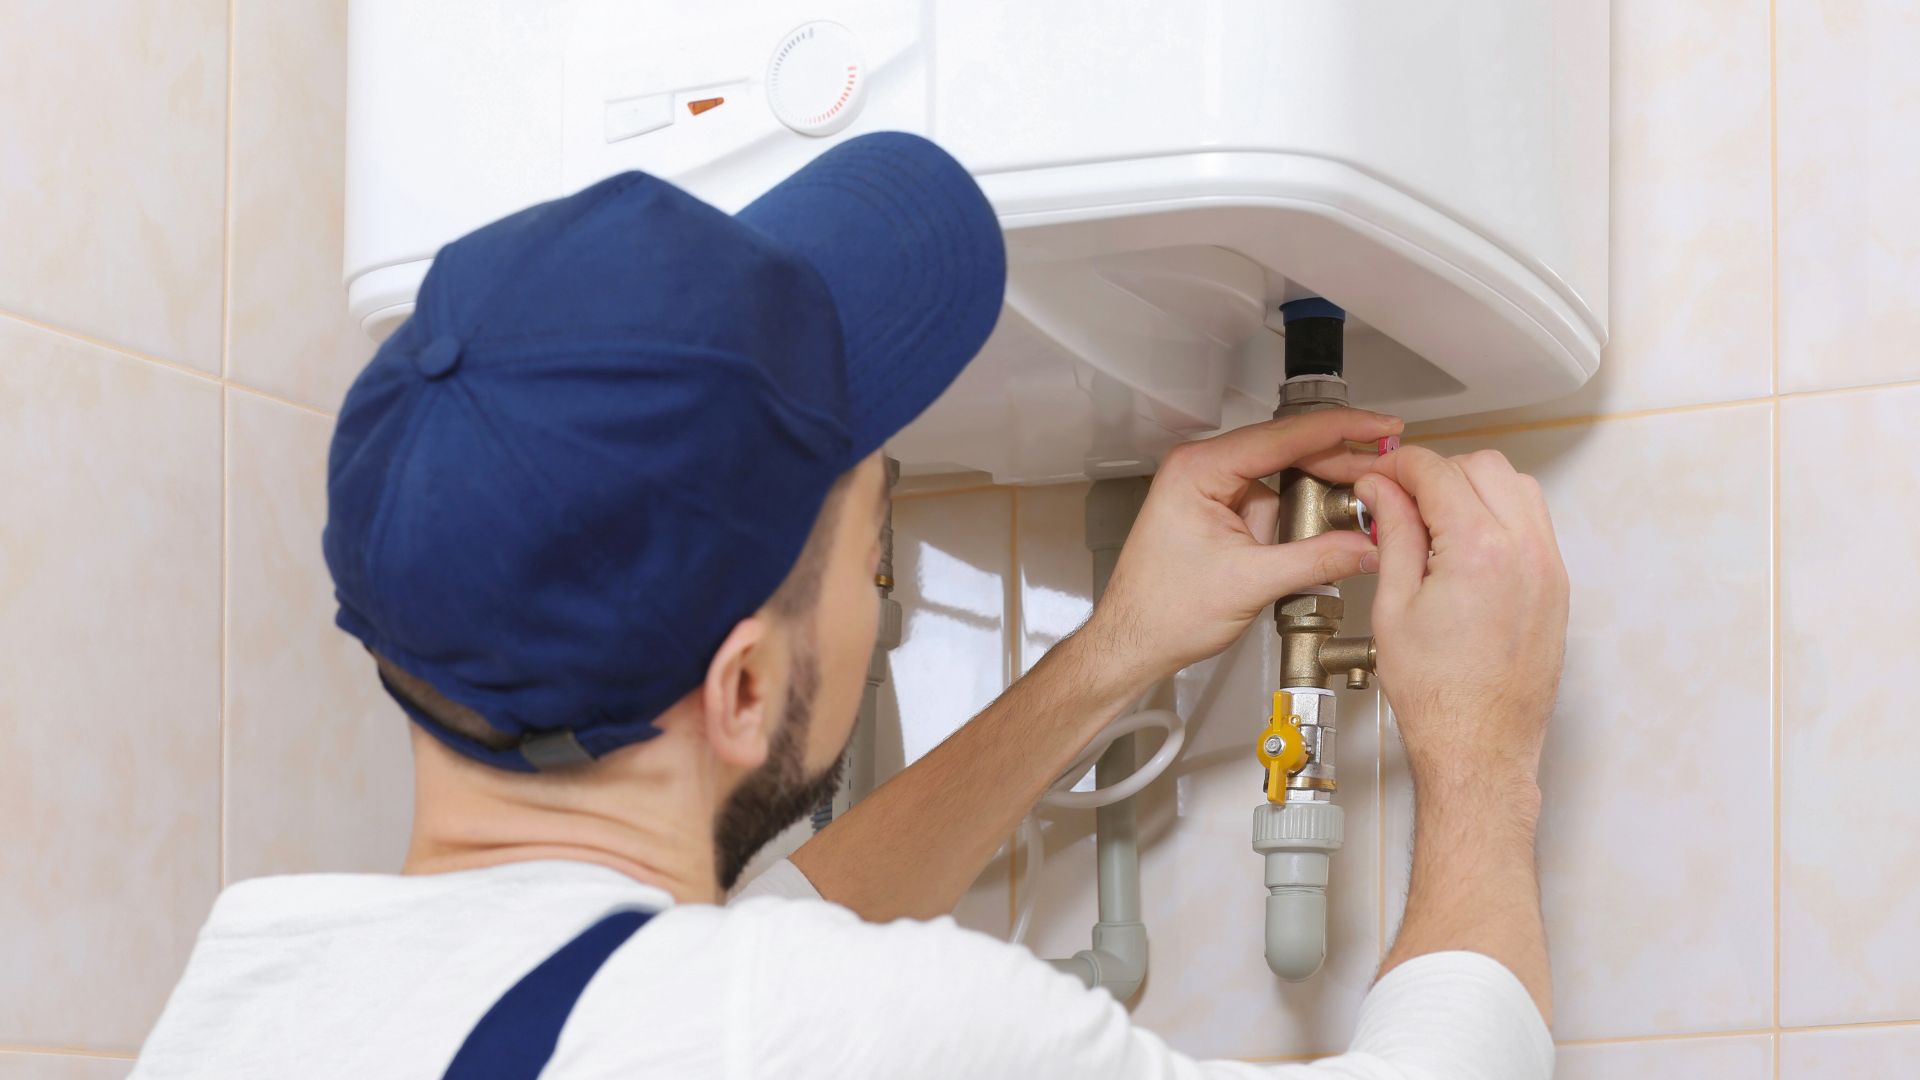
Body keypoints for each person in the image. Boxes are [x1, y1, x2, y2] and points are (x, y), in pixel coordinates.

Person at [132, 132, 1568, 1079]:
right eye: (872, 534)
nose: (878, 578)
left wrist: (1115, 654)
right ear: (744, 687)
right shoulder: (852, 1035)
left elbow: (736, 947)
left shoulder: (250, 1006)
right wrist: (1482, 751)